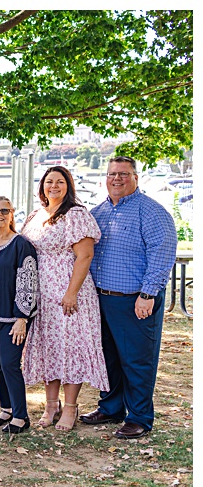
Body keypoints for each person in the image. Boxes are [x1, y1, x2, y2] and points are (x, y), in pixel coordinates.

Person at [83, 155, 177, 439]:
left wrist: (148, 294)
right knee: (108, 357)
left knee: (137, 360)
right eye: (112, 174)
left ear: (136, 177)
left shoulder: (151, 212)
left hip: (135, 299)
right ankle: (111, 407)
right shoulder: (97, 212)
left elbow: (161, 256)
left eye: (123, 174)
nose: (117, 179)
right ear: (105, 178)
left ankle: (139, 417)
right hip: (102, 299)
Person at [20, 164, 106, 431]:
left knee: (71, 348)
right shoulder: (36, 214)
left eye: (59, 181)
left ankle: (70, 407)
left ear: (68, 185)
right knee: (49, 347)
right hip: (42, 294)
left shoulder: (75, 214)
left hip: (70, 292)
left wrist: (71, 293)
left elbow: (85, 255)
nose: (53, 186)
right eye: (49, 182)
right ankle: (50, 405)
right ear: (42, 186)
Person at [0, 196, 39, 434]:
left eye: (5, 210)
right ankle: (7, 408)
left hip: (13, 319)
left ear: (12, 214)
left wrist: (22, 317)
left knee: (11, 364)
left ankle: (21, 416)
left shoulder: (21, 244)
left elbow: (29, 281)